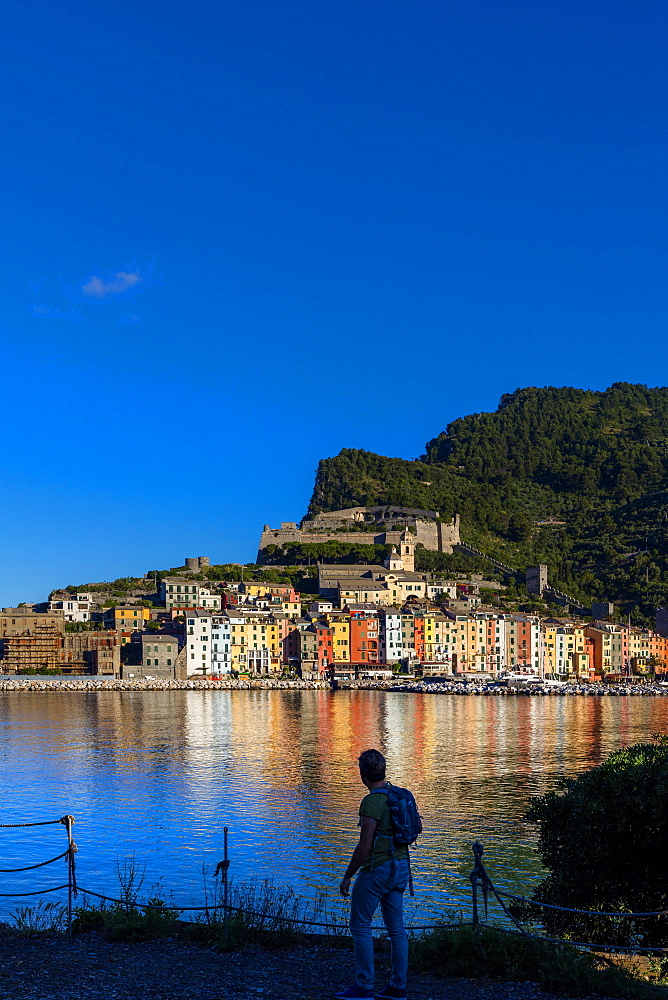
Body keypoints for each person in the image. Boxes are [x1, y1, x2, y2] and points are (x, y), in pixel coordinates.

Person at [335, 749, 410, 1000]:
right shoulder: (399, 794)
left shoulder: (371, 801)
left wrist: (347, 876)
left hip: (377, 870)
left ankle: (364, 986)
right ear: (384, 769)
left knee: (360, 925)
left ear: (362, 774)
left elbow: (364, 846)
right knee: (397, 929)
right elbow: (413, 829)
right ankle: (398, 987)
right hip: (401, 869)